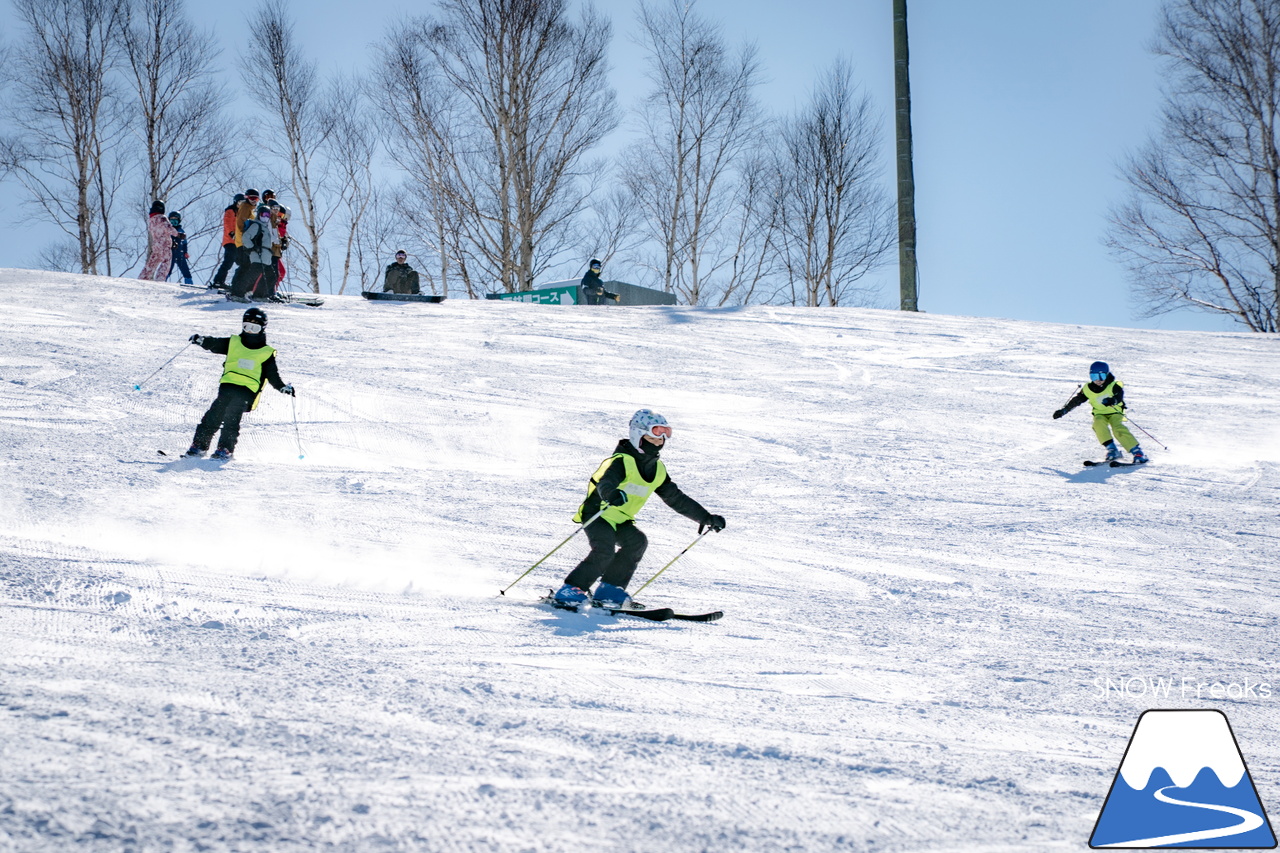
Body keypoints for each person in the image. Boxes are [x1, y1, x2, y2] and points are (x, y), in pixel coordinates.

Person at [552, 409, 726, 610]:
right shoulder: (622, 461)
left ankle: (609, 590)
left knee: (637, 542)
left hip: (621, 518)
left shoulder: (657, 469)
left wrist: (705, 518)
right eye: (654, 434)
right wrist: (611, 494)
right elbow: (605, 483)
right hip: (598, 514)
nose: (660, 440)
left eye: (664, 434)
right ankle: (570, 590)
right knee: (604, 550)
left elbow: (676, 498)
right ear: (638, 435)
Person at [185, 307, 294, 461]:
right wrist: (202, 340)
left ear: (262, 328)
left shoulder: (266, 352)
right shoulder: (234, 342)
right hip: (228, 385)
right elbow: (215, 343)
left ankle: (225, 449)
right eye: (246, 327)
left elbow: (272, 374)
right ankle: (199, 445)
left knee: (232, 417)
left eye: (254, 328)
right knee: (213, 415)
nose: (249, 331)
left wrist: (281, 387)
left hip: (246, 390)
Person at [1053, 361, 1149, 463]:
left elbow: (1119, 396)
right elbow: (1077, 400)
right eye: (1094, 376)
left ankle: (1137, 452)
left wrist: (1113, 400)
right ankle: (1112, 450)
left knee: (1117, 428)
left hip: (1115, 413)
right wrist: (1064, 411)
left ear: (1107, 375)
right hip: (1100, 413)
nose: (1098, 380)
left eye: (1101, 376)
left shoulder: (1113, 385)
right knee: (1098, 425)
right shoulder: (1087, 389)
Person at [228, 203, 277, 302]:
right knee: (251, 276)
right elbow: (246, 237)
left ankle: (260, 295)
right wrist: (253, 248)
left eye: (268, 215)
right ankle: (237, 294)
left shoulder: (265, 227)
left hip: (266, 257)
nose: (266, 217)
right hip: (258, 256)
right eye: (264, 215)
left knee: (271, 276)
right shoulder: (256, 225)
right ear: (259, 214)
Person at [209, 193, 244, 288]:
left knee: (243, 262)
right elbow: (228, 223)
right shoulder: (230, 211)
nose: (241, 205)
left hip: (239, 242)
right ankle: (218, 281)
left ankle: (238, 284)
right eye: (240, 202)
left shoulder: (242, 213)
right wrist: (232, 233)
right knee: (229, 261)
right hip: (230, 241)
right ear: (236, 202)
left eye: (243, 203)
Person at [139, 200, 177, 281]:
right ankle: (160, 279)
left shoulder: (151, 220)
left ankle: (143, 278)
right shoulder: (162, 218)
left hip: (156, 245)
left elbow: (159, 232)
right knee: (166, 261)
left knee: (152, 263)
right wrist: (178, 234)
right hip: (164, 244)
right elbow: (168, 228)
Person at [165, 211, 193, 285]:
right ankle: (162, 282)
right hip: (170, 253)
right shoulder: (168, 230)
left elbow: (184, 243)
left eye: (176, 220)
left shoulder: (181, 231)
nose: (174, 222)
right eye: (172, 220)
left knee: (185, 270)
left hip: (179, 253)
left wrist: (185, 252)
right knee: (168, 269)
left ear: (179, 221)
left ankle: (189, 284)